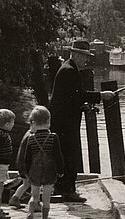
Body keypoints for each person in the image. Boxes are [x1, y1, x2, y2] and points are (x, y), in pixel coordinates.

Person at [49, 40, 114, 202]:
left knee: (65, 154)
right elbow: (78, 95)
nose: (86, 60)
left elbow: (71, 97)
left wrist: (83, 105)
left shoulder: (67, 68)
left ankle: (62, 186)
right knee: (71, 154)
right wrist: (101, 95)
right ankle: (68, 190)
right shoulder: (70, 71)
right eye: (84, 56)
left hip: (62, 119)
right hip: (65, 122)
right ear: (76, 54)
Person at [16, 106, 64, 219]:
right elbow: (58, 156)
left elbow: (27, 158)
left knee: (34, 197)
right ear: (49, 121)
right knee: (46, 198)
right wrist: (60, 170)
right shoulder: (54, 137)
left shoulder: (31, 138)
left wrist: (25, 172)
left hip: (34, 172)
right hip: (49, 171)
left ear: (33, 122)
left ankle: (29, 215)